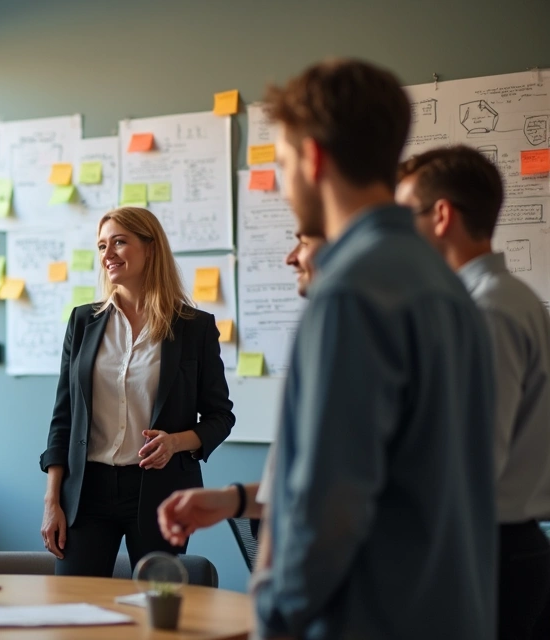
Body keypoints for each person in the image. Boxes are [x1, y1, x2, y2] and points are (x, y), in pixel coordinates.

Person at [253, 59, 496, 639]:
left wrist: (274, 616)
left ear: (313, 158)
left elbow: (329, 503)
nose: (285, 184)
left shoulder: (350, 294)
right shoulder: (446, 285)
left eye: (283, 164)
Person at [397, 145, 550, 640]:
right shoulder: (505, 300)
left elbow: (475, 458)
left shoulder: (487, 313)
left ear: (441, 216)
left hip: (485, 552)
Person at [39, 206, 235, 577]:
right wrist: (52, 499)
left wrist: (176, 442)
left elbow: (220, 417)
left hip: (160, 491)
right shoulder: (83, 322)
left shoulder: (195, 328)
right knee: (76, 609)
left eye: (119, 242)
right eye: (101, 246)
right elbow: (62, 417)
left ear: (150, 248)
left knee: (154, 611)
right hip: (86, 492)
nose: (107, 254)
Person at [156, 231, 325, 544]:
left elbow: (343, 491)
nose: (290, 257)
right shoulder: (319, 339)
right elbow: (302, 486)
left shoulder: (365, 344)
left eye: (304, 241)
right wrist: (232, 500)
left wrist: (176, 443)